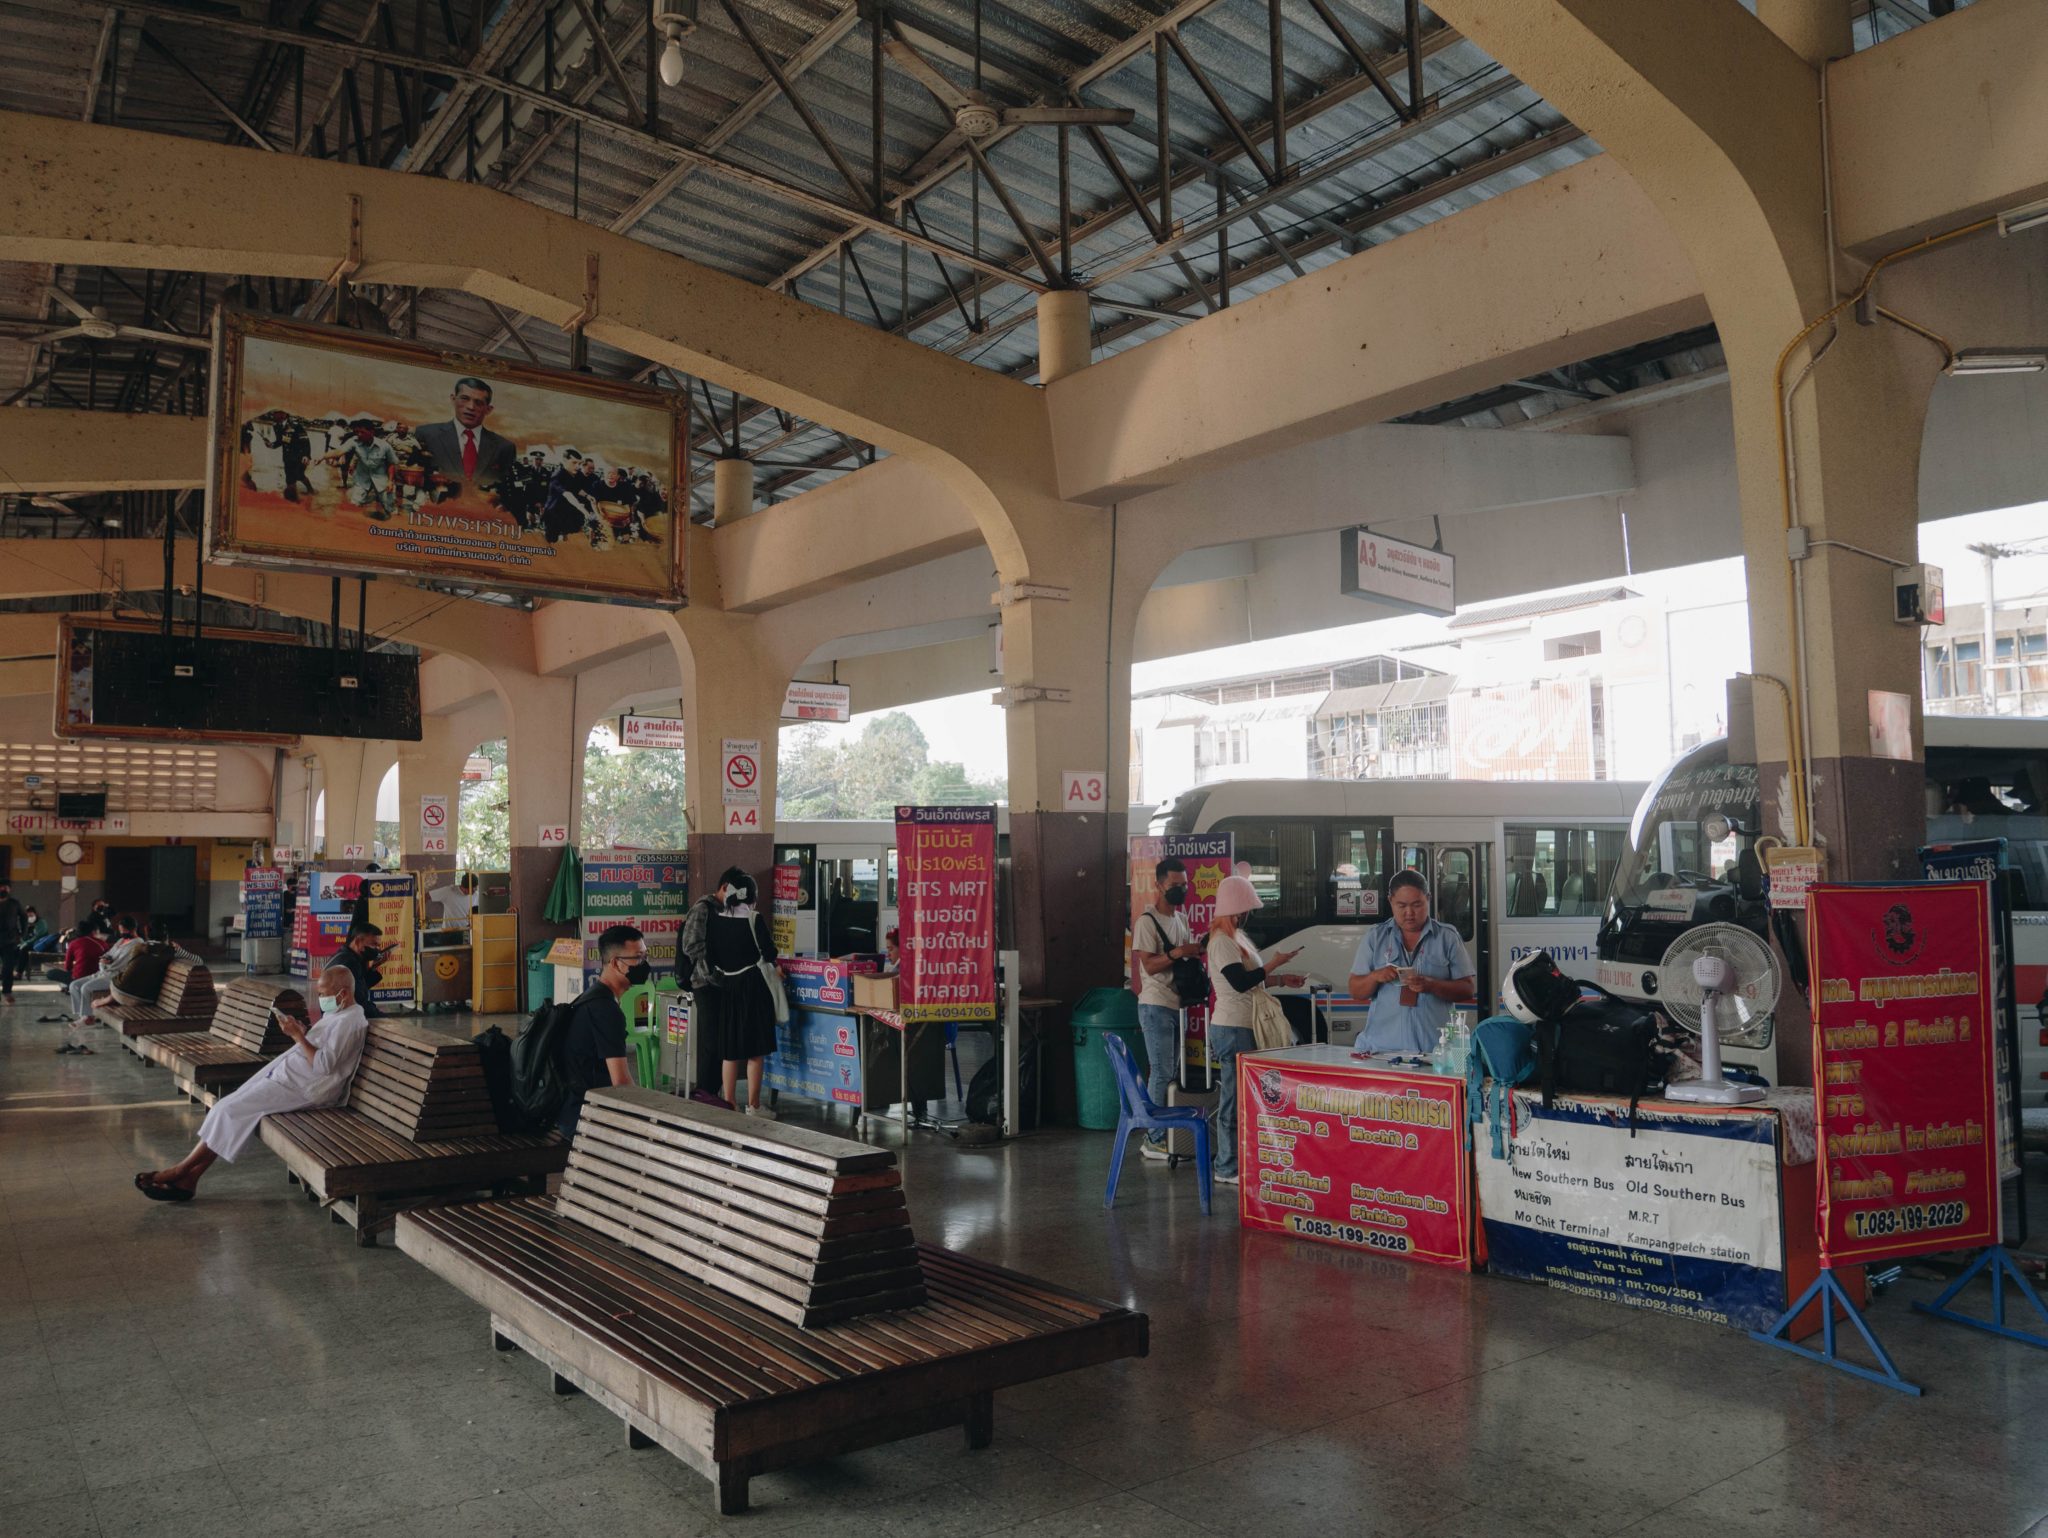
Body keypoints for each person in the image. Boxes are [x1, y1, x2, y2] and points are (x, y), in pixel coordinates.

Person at [134, 974, 362, 1201]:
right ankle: (189, 1179)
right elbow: (323, 1050)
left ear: (343, 992)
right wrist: (303, 1033)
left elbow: (323, 1066)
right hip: (291, 1079)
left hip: (307, 1088)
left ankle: (180, 1171)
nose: (320, 998)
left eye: (323, 994)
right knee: (226, 1108)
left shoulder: (351, 1022)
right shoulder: (339, 1014)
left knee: (229, 1110)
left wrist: (297, 1037)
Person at [1206, 872, 1303, 1187]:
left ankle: (1237, 1161)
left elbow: (1252, 982)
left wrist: (1279, 980)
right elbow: (1239, 982)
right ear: (1237, 910)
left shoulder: (1235, 939)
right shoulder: (1221, 942)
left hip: (1242, 1026)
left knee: (1243, 1099)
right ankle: (1226, 1166)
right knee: (1232, 1100)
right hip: (1232, 1028)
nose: (1249, 914)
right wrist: (1273, 965)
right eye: (1246, 908)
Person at [1345, 868, 1476, 1055]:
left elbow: (1468, 989)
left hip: (1436, 1052)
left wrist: (1432, 985)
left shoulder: (1447, 937)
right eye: (1401, 905)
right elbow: (1355, 990)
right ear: (1391, 901)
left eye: (1417, 905)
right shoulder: (1376, 937)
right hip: (1382, 1051)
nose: (1409, 913)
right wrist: (1376, 976)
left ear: (1428, 899)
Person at [1131, 856, 1203, 1163]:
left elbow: (1181, 959)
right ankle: (1154, 1138)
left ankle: (1164, 1134)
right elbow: (1148, 964)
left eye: (1184, 885)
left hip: (1176, 1004)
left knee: (1170, 1071)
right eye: (1175, 885)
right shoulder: (1146, 922)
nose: (1180, 890)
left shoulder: (1181, 919)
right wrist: (1177, 953)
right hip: (1155, 1005)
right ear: (1159, 885)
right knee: (1160, 1072)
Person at [556, 924, 644, 1138]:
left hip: (571, 1111)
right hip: (584, 1118)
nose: (644, 964)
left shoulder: (592, 998)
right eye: (638, 958)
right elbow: (621, 1084)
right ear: (616, 963)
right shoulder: (605, 1011)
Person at [706, 872, 780, 1118]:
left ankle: (729, 1104)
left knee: (730, 1051)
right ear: (752, 897)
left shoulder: (716, 920)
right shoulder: (754, 919)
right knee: (754, 1051)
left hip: (728, 986)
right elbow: (769, 952)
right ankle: (754, 1106)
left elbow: (711, 956)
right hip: (753, 987)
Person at [416, 376, 516, 496]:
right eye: (464, 399)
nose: (471, 407)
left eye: (478, 403)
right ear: (453, 399)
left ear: (488, 409)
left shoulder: (504, 447)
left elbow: (506, 489)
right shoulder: (426, 435)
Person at [57, 914, 144, 1049]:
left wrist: (106, 963)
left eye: (124, 931)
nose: (122, 933)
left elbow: (120, 964)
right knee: (74, 985)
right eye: (120, 931)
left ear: (132, 929)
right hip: (103, 970)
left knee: (86, 988)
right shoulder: (120, 941)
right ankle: (83, 1015)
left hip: (115, 975)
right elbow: (110, 953)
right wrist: (104, 960)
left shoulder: (138, 944)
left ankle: (87, 1017)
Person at [319, 418, 401, 521]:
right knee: (354, 503)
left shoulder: (384, 446)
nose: (359, 434)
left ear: (372, 432)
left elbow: (392, 463)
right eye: (357, 432)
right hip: (363, 477)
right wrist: (322, 457)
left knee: (390, 507)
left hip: (381, 478)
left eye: (362, 432)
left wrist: (390, 481)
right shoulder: (354, 441)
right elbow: (339, 451)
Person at [540, 450, 601, 544]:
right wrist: (585, 512)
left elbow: (577, 489)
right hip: (553, 514)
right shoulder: (557, 475)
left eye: (579, 463)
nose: (577, 466)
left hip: (568, 513)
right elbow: (568, 495)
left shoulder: (576, 474)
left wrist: (588, 496)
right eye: (574, 462)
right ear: (565, 460)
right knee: (551, 542)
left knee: (570, 540)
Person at [334, 922, 389, 1019]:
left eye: (378, 946)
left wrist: (374, 966)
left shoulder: (345, 956)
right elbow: (360, 1003)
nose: (377, 950)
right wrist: (382, 1017)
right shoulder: (350, 963)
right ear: (358, 941)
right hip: (344, 1018)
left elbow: (359, 988)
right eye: (374, 945)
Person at [0, 879, 26, 1005]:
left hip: (9, 941)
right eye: (1, 887)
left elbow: (24, 917)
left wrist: (22, 933)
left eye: (5, 887)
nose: (3, 890)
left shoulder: (14, 903)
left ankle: (7, 992)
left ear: (9, 889)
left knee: (8, 967)